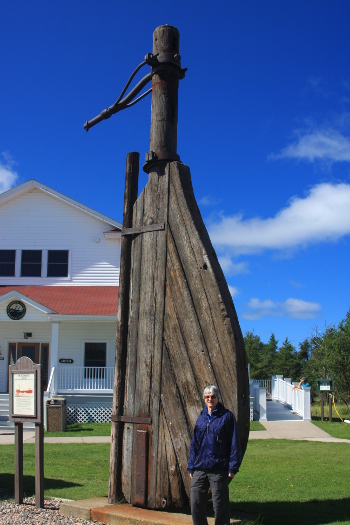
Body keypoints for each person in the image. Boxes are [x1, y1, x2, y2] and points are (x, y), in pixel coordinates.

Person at [187, 385, 241, 525]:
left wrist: (233, 467)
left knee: (220, 506)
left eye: (213, 397)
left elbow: (234, 443)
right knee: (196, 503)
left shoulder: (227, 417)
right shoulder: (202, 417)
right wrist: (191, 466)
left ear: (218, 398)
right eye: (207, 397)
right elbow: (195, 443)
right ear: (204, 399)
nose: (210, 399)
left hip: (218, 468)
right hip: (200, 467)